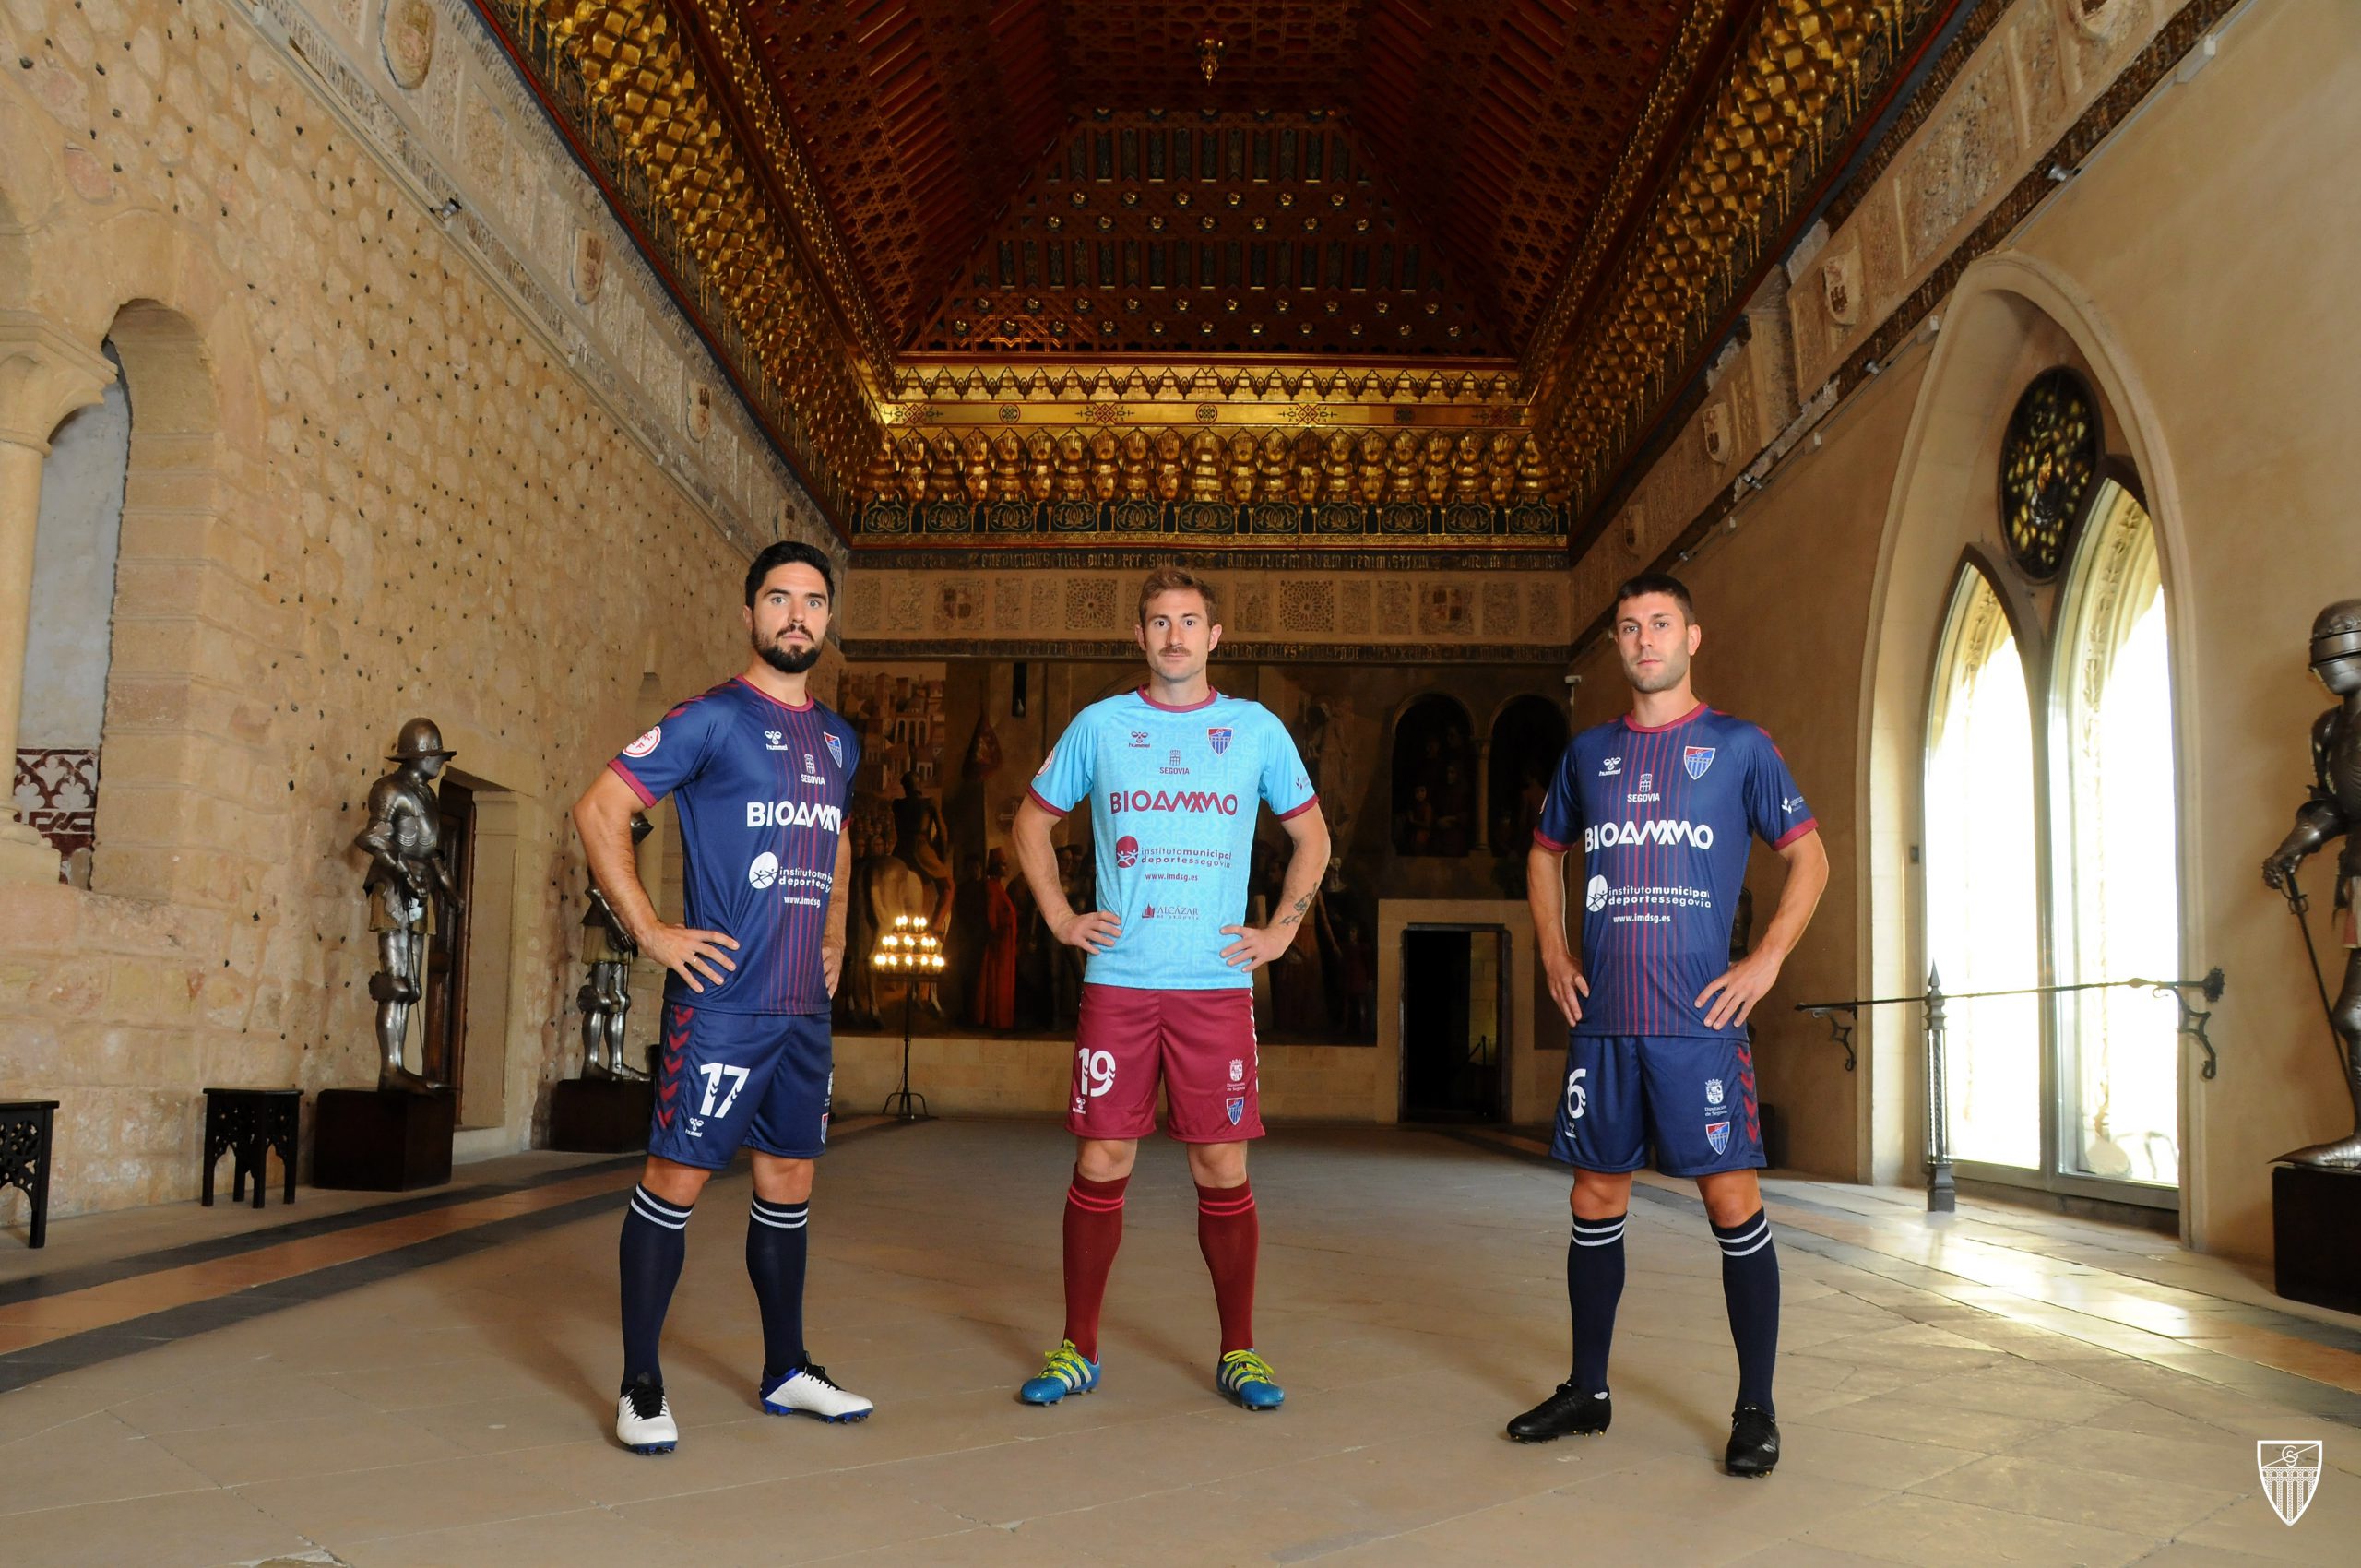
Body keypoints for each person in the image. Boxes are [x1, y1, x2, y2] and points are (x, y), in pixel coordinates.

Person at [1508, 572, 1828, 1479]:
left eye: (1659, 623)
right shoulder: (1587, 754)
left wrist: (1764, 959)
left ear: (1693, 635)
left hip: (1699, 1025)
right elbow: (1543, 853)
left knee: (1731, 1204)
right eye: (1627, 627)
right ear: (1614, 644)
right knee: (1593, 1200)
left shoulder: (1737, 747)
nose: (1643, 639)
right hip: (1606, 1024)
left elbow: (1808, 857)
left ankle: (1756, 1406)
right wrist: (1552, 951)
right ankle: (1587, 1389)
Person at [571, 540, 872, 1456]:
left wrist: (835, 934)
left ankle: (787, 1367)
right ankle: (640, 1381)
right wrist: (653, 931)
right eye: (778, 598)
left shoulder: (838, 737)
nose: (796, 614)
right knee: (676, 1181)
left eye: (812, 601)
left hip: (800, 1011)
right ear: (749, 614)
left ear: (826, 618)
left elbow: (842, 840)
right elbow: (598, 810)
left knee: (788, 1182)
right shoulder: (709, 719)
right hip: (723, 1004)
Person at [1009, 564, 1330, 1411]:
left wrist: (1283, 931)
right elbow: (1031, 823)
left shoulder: (1255, 729)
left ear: (1214, 637)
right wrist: (1058, 915)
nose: (1175, 636)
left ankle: (1240, 1352)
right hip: (1120, 981)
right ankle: (1078, 1347)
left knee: (1221, 1163)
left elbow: (1313, 840)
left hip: (1214, 989)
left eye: (1190, 621)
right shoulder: (1101, 727)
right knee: (1102, 1155)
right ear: (1140, 635)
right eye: (1159, 622)